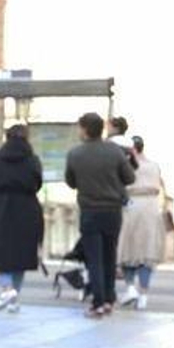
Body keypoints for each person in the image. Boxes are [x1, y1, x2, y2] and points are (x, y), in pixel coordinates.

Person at [64, 112, 135, 317]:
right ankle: (109, 299)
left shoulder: (75, 154)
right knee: (109, 255)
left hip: (89, 211)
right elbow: (129, 177)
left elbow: (71, 182)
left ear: (85, 129)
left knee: (94, 257)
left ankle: (98, 302)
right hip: (113, 211)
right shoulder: (114, 151)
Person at [0, 124, 44, 313]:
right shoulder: (32, 159)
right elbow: (37, 182)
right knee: (21, 255)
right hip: (27, 207)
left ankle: (7, 288)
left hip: (2, 206)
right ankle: (15, 297)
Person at [117, 135, 166, 309]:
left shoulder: (128, 166)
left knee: (128, 252)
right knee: (147, 253)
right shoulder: (154, 166)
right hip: (152, 209)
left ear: (132, 149)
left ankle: (131, 288)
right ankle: (143, 294)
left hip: (131, 206)